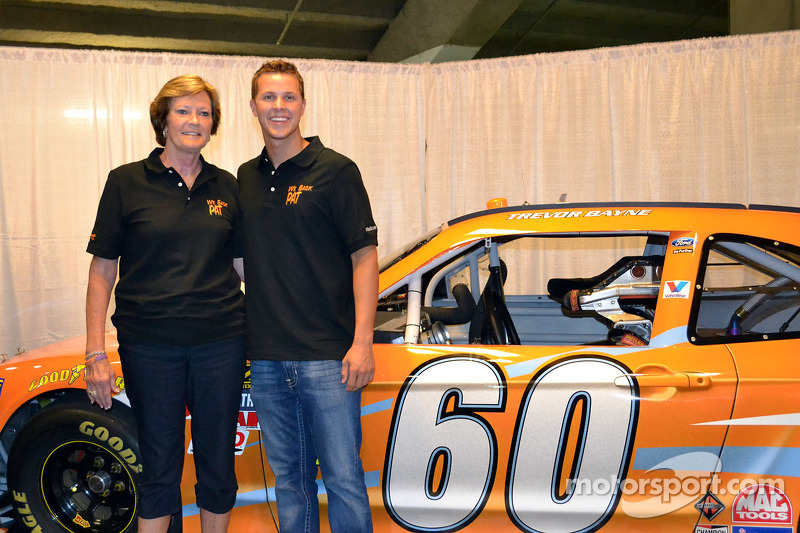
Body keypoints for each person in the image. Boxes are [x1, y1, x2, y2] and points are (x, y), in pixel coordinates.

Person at [84, 74, 246, 533]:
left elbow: (244, 268)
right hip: (150, 347)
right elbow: (101, 272)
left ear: (213, 124)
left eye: (204, 112)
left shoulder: (227, 186)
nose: (194, 120)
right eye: (183, 110)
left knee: (217, 463)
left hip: (221, 343)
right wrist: (96, 353)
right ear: (163, 118)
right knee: (159, 465)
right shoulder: (126, 182)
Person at [237, 59, 378, 533]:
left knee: (343, 480)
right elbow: (243, 262)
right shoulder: (244, 177)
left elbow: (364, 258)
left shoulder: (336, 170)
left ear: (303, 104)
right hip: (269, 358)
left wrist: (362, 342)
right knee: (289, 483)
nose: (279, 107)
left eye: (289, 97)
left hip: (329, 358)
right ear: (253, 106)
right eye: (269, 98)